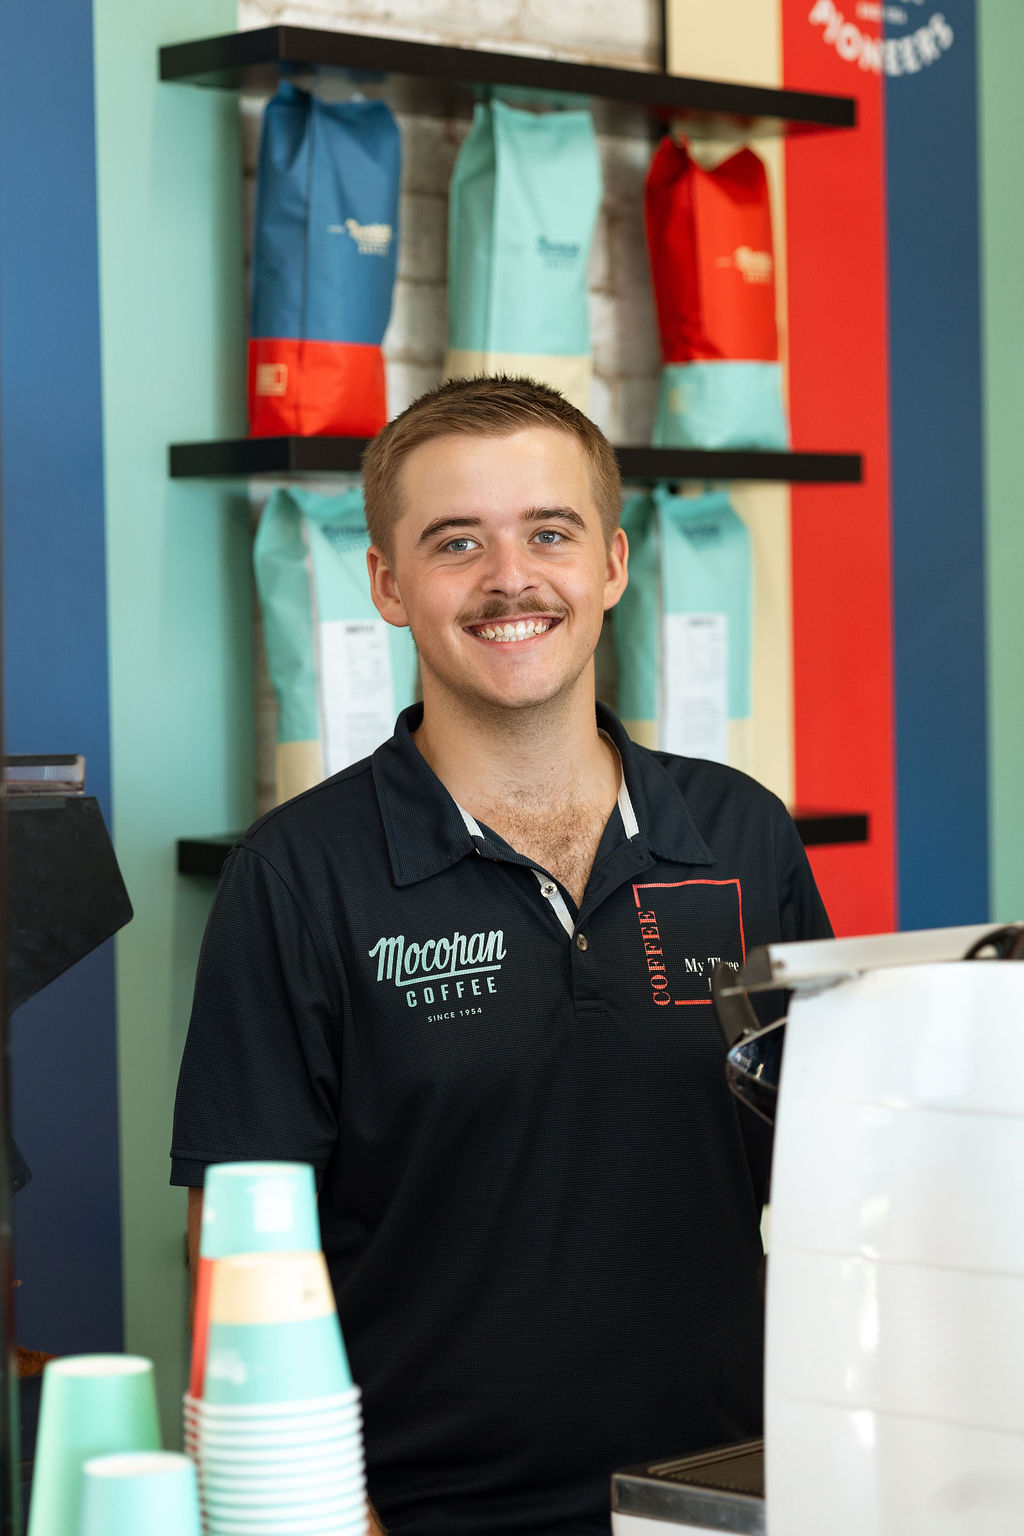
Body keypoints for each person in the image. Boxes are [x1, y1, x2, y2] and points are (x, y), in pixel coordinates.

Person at [172, 376, 832, 1536]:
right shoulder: (298, 875)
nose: (510, 578)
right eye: (456, 542)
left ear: (612, 565)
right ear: (387, 584)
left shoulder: (741, 835)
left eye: (549, 533)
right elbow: (237, 1250)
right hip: (430, 1513)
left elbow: (829, 1168)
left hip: (732, 1491)